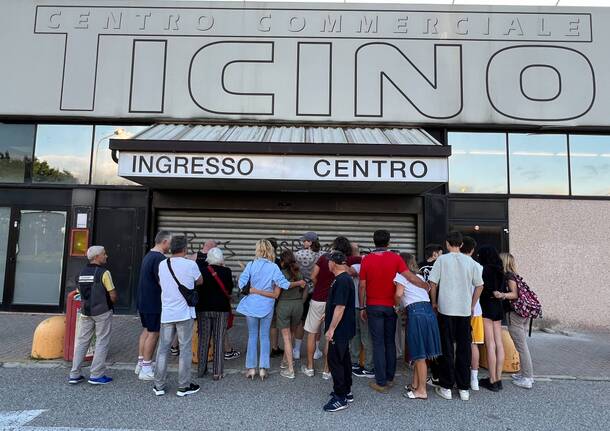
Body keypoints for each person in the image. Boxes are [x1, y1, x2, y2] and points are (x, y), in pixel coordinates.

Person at [359, 229, 429, 393]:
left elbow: (362, 285)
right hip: (391, 306)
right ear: (388, 242)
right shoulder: (396, 258)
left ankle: (381, 381)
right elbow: (410, 276)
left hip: (373, 306)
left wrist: (362, 306)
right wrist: (424, 286)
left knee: (378, 343)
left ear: (373, 241)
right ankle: (390, 377)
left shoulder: (367, 259)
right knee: (390, 341)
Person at [237, 239, 305, 380]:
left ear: (257, 250)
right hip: (267, 305)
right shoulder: (274, 267)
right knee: (264, 336)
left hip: (251, 305)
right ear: (270, 251)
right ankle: (263, 368)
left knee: (252, 336)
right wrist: (298, 282)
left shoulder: (251, 264)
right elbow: (284, 285)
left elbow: (241, 283)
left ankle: (250, 368)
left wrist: (252, 289)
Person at [429, 231, 483, 401]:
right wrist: (472, 304)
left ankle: (446, 387)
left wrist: (434, 303)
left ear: (446, 244)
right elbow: (480, 286)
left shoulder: (441, 260)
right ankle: (464, 388)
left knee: (446, 348)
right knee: (464, 348)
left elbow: (433, 283)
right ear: (461, 245)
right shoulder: (471, 262)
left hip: (446, 309)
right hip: (464, 310)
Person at [302, 236, 359, 378]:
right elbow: (357, 265)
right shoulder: (348, 260)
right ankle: (327, 370)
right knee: (330, 336)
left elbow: (313, 275)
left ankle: (310, 367)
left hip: (318, 299)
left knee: (312, 332)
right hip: (334, 302)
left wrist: (319, 286)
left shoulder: (324, 258)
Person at [153, 236, 202, 397]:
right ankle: (183, 386)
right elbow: (200, 281)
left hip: (167, 313)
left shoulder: (162, 264)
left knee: (163, 350)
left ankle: (158, 385)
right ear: (185, 249)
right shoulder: (191, 264)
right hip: (184, 314)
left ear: (170, 248)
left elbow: (162, 282)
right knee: (185, 349)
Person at [394, 253, 441, 400]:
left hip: (416, 313)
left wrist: (396, 305)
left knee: (419, 354)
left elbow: (399, 293)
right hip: (428, 312)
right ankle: (415, 384)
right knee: (422, 351)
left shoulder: (401, 276)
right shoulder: (420, 277)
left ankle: (421, 391)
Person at [69, 246, 118, 385]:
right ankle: (96, 375)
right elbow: (112, 293)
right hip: (102, 311)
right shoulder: (104, 272)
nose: (106, 256)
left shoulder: (80, 272)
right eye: (104, 254)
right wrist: (110, 304)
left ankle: (75, 374)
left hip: (85, 311)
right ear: (97, 257)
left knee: (82, 342)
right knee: (102, 341)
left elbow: (79, 292)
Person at [135, 231, 171, 381]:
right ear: (164, 242)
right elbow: (162, 281)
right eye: (170, 243)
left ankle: (141, 363)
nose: (170, 246)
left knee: (146, 331)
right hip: (154, 303)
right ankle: (147, 368)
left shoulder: (148, 255)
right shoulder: (159, 259)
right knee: (154, 333)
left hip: (143, 301)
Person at [323, 251, 356, 412]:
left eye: (329, 261)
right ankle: (346, 391)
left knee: (335, 361)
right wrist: (327, 314)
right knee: (344, 360)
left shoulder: (342, 281)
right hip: (343, 327)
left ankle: (340, 397)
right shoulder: (342, 279)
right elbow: (337, 305)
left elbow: (341, 307)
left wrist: (331, 329)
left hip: (340, 329)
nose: (327, 263)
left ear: (334, 263)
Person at [195, 247, 233, 381]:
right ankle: (217, 372)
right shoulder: (227, 271)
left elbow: (197, 288)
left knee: (203, 339)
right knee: (219, 339)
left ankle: (201, 370)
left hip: (203, 309)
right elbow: (229, 289)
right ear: (221, 258)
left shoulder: (202, 271)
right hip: (221, 310)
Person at [499, 252, 535, 389]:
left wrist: (502, 294)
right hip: (523, 314)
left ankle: (527, 378)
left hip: (515, 315)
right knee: (522, 345)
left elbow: (514, 294)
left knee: (521, 347)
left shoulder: (509, 276)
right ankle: (524, 373)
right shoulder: (515, 276)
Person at [477, 245, 507, 392]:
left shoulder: (483, 269)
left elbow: (481, 289)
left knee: (490, 344)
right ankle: (499, 379)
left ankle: (492, 379)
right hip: (498, 306)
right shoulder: (501, 269)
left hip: (487, 305)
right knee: (499, 343)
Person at [460, 236, 484, 391]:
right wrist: (472, 305)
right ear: (473, 250)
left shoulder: (455, 263)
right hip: (475, 310)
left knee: (457, 344)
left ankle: (459, 375)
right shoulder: (478, 266)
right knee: (473, 343)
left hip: (456, 309)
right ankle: (474, 379)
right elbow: (479, 287)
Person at [277, 250, 306, 379]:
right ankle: (285, 362)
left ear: (283, 261)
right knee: (292, 335)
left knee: (286, 338)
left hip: (284, 305)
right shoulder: (299, 273)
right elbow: (305, 288)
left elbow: (278, 290)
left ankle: (290, 369)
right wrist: (301, 301)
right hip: (298, 305)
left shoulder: (280, 273)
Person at [294, 232, 322, 360]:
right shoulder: (321, 255)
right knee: (316, 321)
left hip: (302, 289)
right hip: (317, 291)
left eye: (305, 241)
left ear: (310, 242)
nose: (303, 242)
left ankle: (297, 350)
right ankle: (316, 351)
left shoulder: (298, 254)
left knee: (301, 321)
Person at [349, 243, 374, 378]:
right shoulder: (362, 265)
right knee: (360, 336)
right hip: (360, 306)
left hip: (360, 306)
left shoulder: (358, 265)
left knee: (362, 336)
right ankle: (359, 364)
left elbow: (350, 272)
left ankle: (364, 365)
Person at [267, 237, 284, 358]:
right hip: (275, 295)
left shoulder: (258, 262)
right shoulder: (278, 262)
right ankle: (274, 347)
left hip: (260, 295)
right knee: (273, 323)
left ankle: (267, 348)